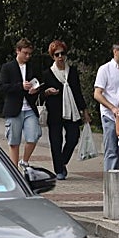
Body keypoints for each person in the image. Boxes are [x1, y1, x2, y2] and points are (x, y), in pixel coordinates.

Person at [39, 40, 89, 180]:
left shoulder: (72, 72)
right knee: (56, 140)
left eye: (62, 53)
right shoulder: (47, 73)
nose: (60, 57)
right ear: (52, 56)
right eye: (57, 54)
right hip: (54, 111)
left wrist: (84, 110)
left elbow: (77, 92)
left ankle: (62, 161)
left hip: (71, 110)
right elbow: (40, 93)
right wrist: (47, 92)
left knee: (73, 137)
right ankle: (59, 170)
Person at [0, 38, 42, 168]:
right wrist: (20, 86)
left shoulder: (33, 67)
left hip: (29, 107)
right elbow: (2, 87)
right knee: (14, 141)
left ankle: (24, 160)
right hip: (14, 108)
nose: (28, 56)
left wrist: (36, 89)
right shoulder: (7, 67)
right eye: (25, 53)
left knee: (34, 135)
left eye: (30, 53)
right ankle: (14, 171)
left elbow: (39, 82)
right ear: (18, 51)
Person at [93, 41, 119, 173]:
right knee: (111, 149)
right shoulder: (105, 69)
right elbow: (97, 94)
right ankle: (109, 183)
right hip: (110, 115)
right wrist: (112, 108)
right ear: (115, 52)